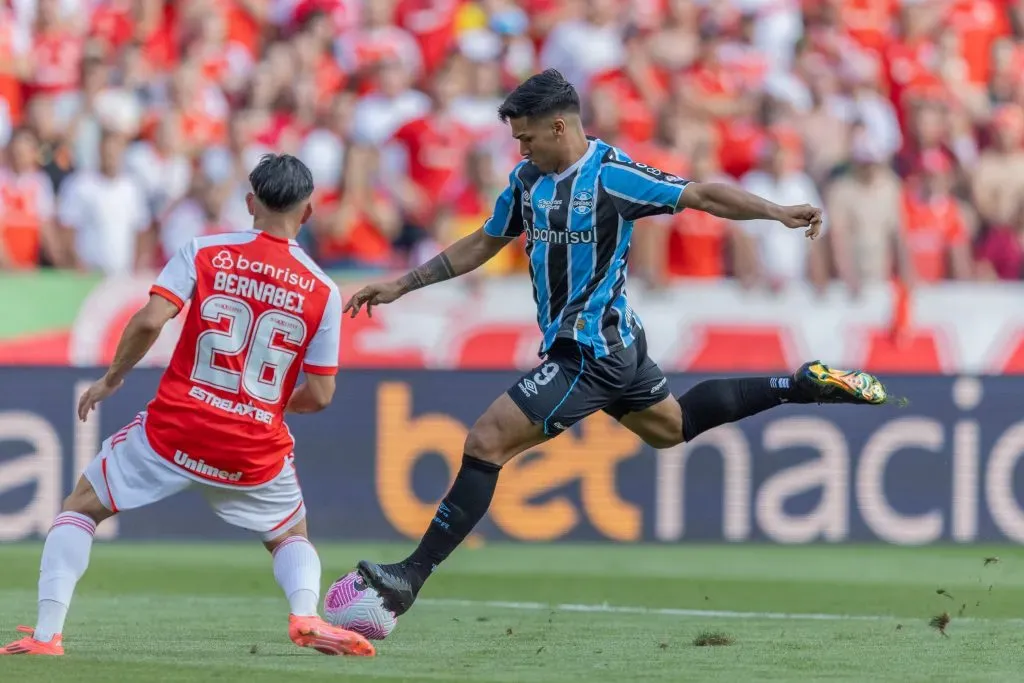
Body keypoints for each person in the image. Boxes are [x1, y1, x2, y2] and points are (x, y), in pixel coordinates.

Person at [344, 69, 891, 617]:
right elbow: (488, 239)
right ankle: (797, 385)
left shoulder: (612, 176)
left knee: (487, 441)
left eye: (527, 137)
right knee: (672, 427)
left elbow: (698, 194)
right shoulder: (526, 181)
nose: (521, 148)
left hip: (591, 350)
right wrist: (403, 283)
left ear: (558, 127)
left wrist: (775, 212)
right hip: (618, 346)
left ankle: (409, 577)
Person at [1, 154, 374, 658]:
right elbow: (322, 394)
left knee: (81, 508)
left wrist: (113, 378)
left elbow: (151, 319)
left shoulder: (205, 251)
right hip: (253, 447)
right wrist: (260, 408)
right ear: (308, 212)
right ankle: (305, 614)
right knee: (290, 536)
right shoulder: (324, 291)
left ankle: (47, 636)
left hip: (175, 429)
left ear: (249, 203)